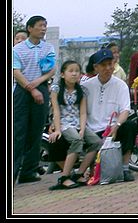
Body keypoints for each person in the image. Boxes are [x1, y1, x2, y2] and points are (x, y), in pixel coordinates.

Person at [82, 48, 138, 182]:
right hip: (92, 130)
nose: (108, 68)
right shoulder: (86, 86)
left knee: (130, 126)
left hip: (113, 128)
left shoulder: (120, 85)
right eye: (103, 65)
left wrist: (117, 125)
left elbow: (125, 110)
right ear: (95, 67)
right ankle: (76, 173)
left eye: (110, 64)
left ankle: (125, 168)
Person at [13, 14, 57, 184]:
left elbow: (51, 70)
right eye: (40, 25)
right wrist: (31, 89)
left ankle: (28, 171)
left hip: (39, 87)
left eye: (45, 25)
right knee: (18, 132)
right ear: (30, 28)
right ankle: (14, 170)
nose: (43, 28)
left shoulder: (48, 48)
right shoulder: (17, 49)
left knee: (36, 131)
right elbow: (15, 71)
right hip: (22, 91)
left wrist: (37, 84)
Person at [48, 60, 100, 190]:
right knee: (76, 140)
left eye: (77, 71)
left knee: (96, 142)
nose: (74, 74)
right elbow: (56, 110)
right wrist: (58, 129)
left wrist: (82, 129)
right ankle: (64, 177)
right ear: (62, 74)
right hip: (64, 123)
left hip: (78, 122)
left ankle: (79, 173)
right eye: (70, 71)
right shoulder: (56, 89)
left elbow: (83, 113)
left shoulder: (82, 90)